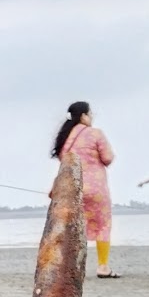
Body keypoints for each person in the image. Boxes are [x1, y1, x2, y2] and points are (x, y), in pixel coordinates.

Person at [51, 101, 119, 278]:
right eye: (90, 114)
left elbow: (63, 161)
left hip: (72, 187)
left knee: (73, 228)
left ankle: (69, 268)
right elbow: (108, 158)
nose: (92, 117)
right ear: (83, 116)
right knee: (103, 225)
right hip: (96, 188)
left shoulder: (64, 136)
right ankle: (103, 266)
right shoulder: (95, 133)